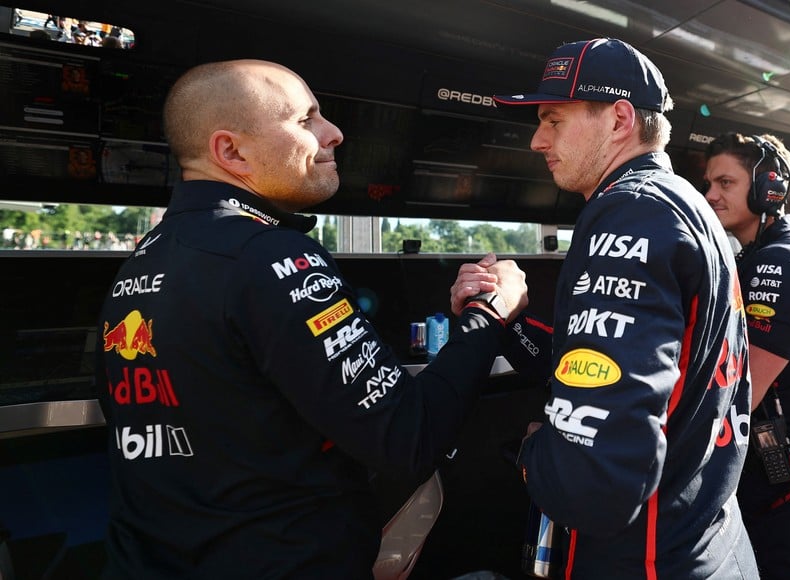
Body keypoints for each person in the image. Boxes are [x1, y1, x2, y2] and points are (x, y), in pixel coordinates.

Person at [94, 59, 528, 579]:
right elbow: (409, 437)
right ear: (230, 151)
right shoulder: (275, 257)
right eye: (306, 120)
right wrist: (489, 314)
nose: (335, 133)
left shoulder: (144, 259)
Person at [451, 38, 758, 578]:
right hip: (707, 539)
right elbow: (611, 370)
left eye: (552, 119)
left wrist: (534, 452)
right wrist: (508, 320)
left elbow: (592, 486)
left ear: (618, 119)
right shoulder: (685, 207)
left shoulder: (629, 212)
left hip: (645, 559)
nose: (536, 140)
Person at [703, 132, 790, 580]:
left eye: (725, 183)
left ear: (770, 188)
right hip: (774, 476)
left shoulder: (782, 264)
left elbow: (740, 393)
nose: (711, 195)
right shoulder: (758, 258)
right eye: (709, 183)